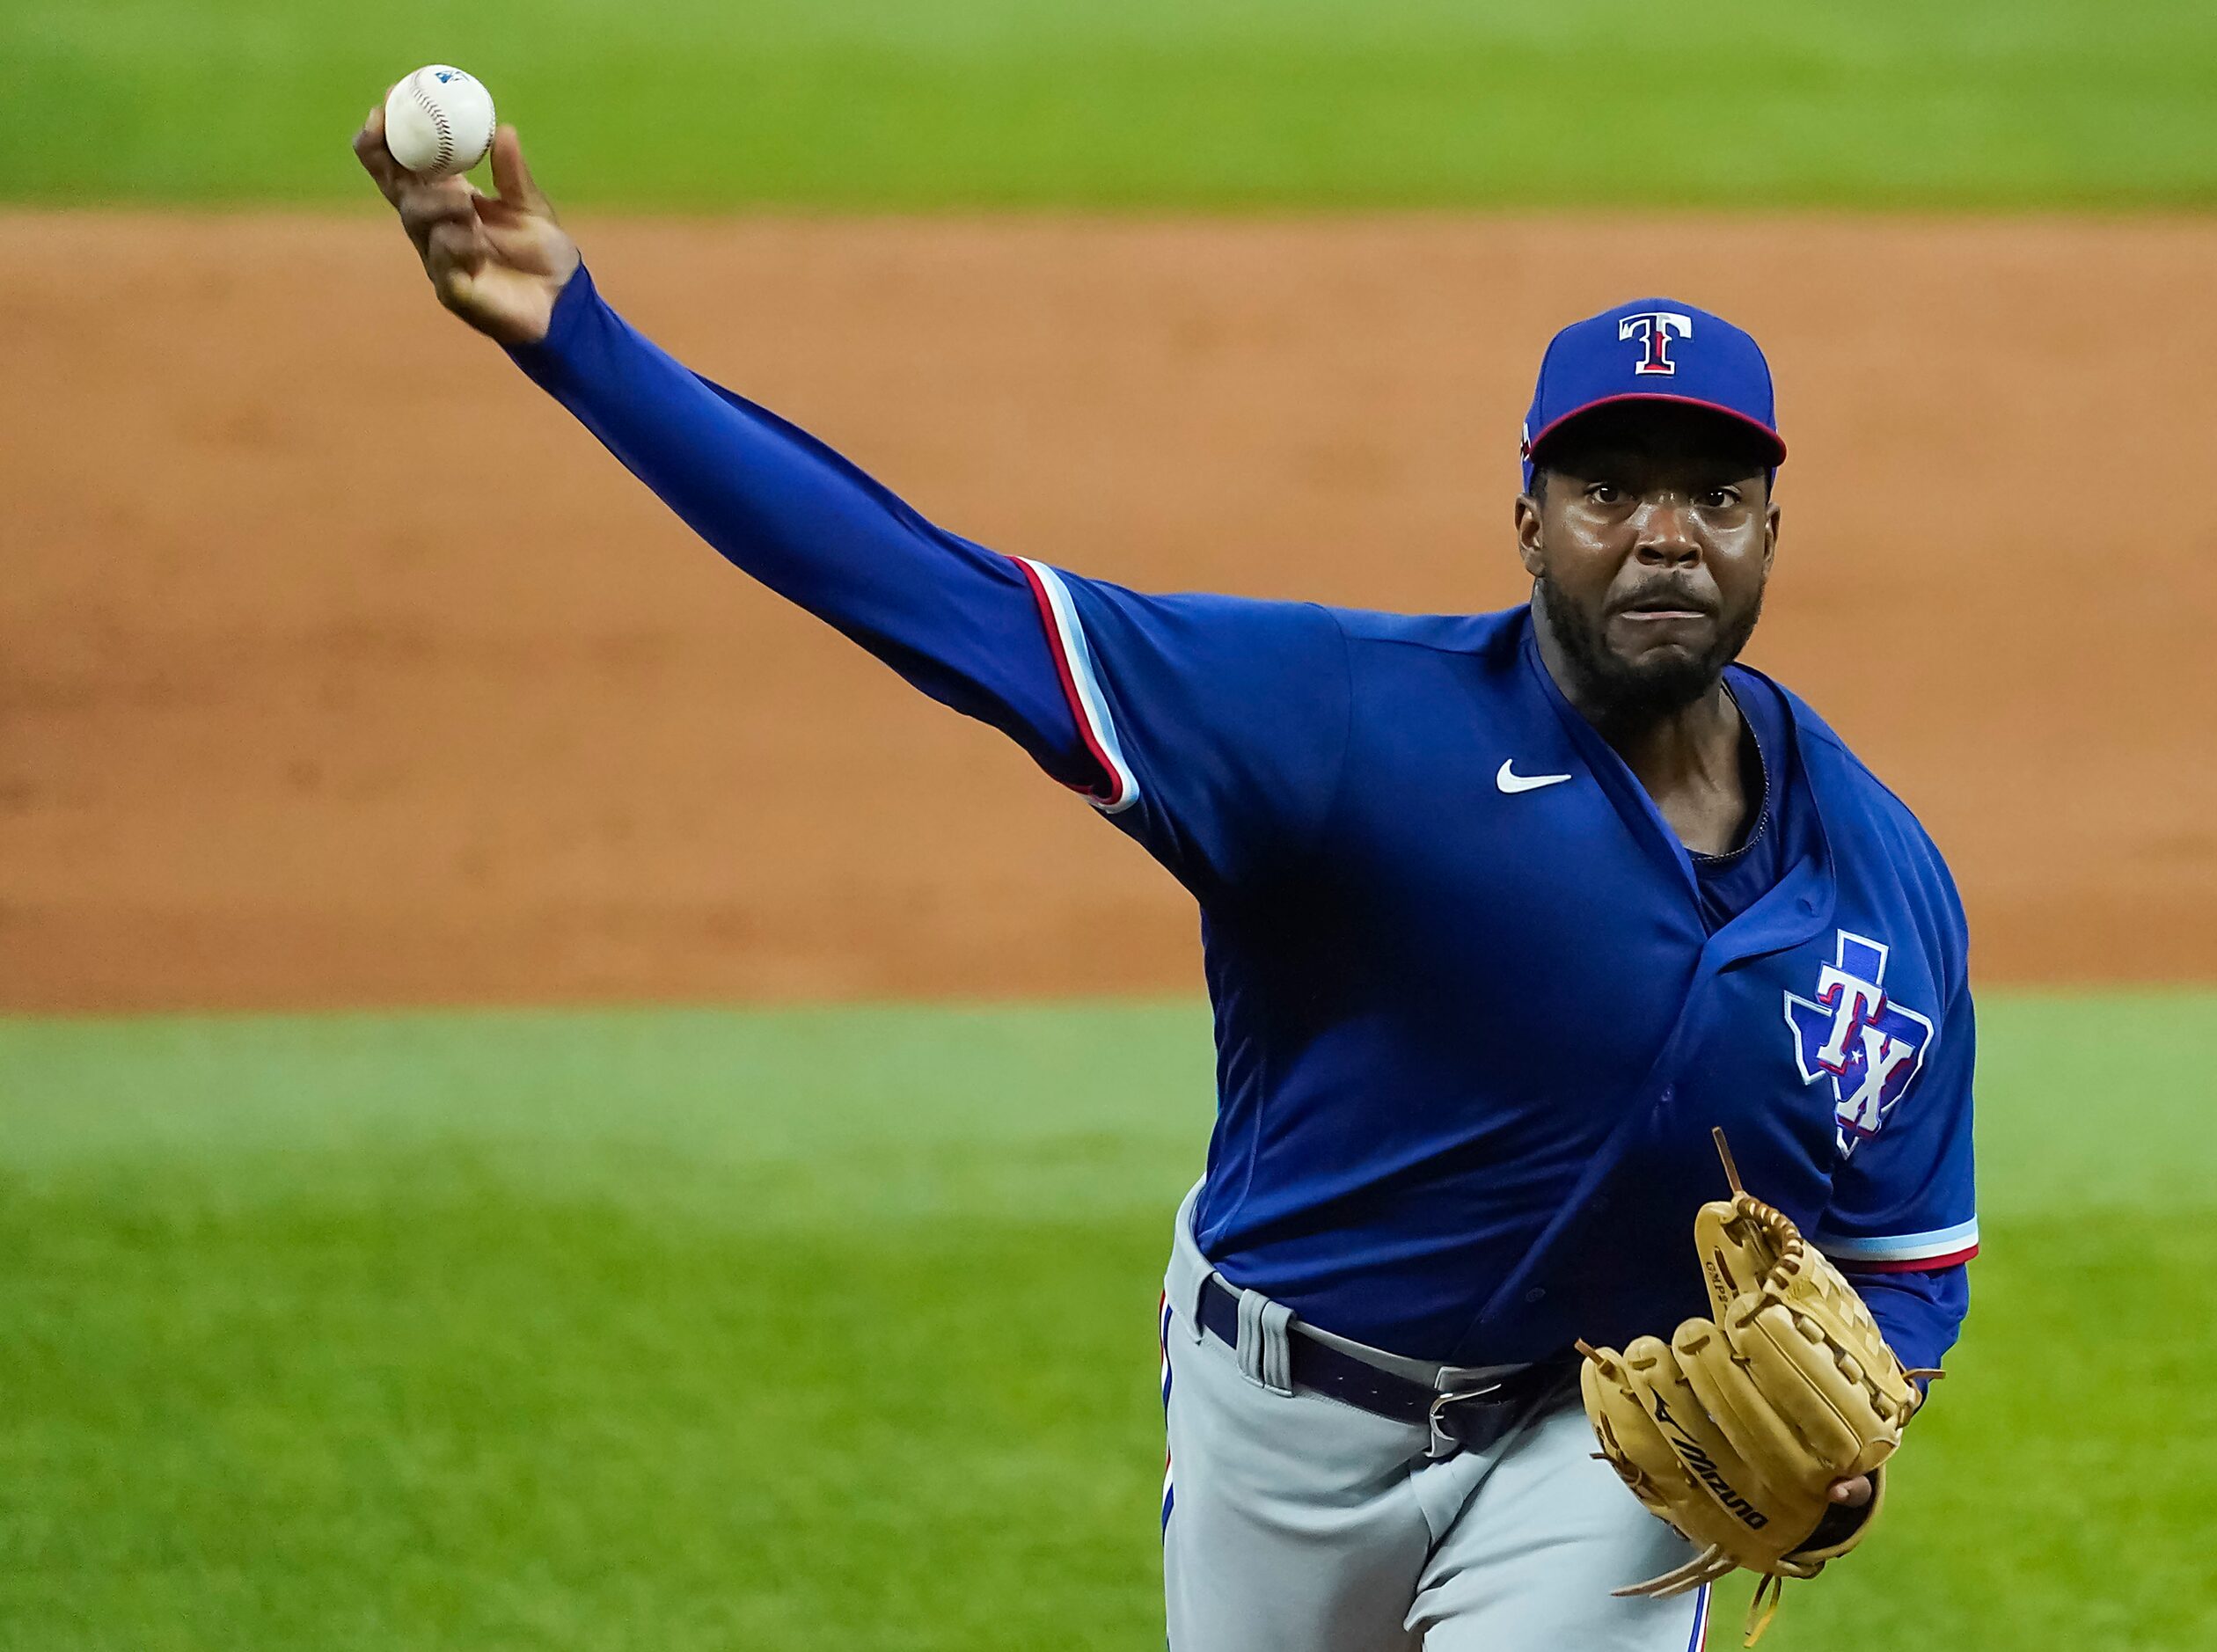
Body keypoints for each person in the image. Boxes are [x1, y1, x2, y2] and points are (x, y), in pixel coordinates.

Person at [355, 112, 1976, 1652]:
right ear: (1527, 519)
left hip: (1595, 1449)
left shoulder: (1887, 888)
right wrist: (582, 343)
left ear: (1773, 530)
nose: (1665, 535)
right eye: (1609, 490)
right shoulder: (1342, 726)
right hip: (1286, 1419)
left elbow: (1906, 1255)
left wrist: (1858, 1438)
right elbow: (938, 598)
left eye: (1715, 495)